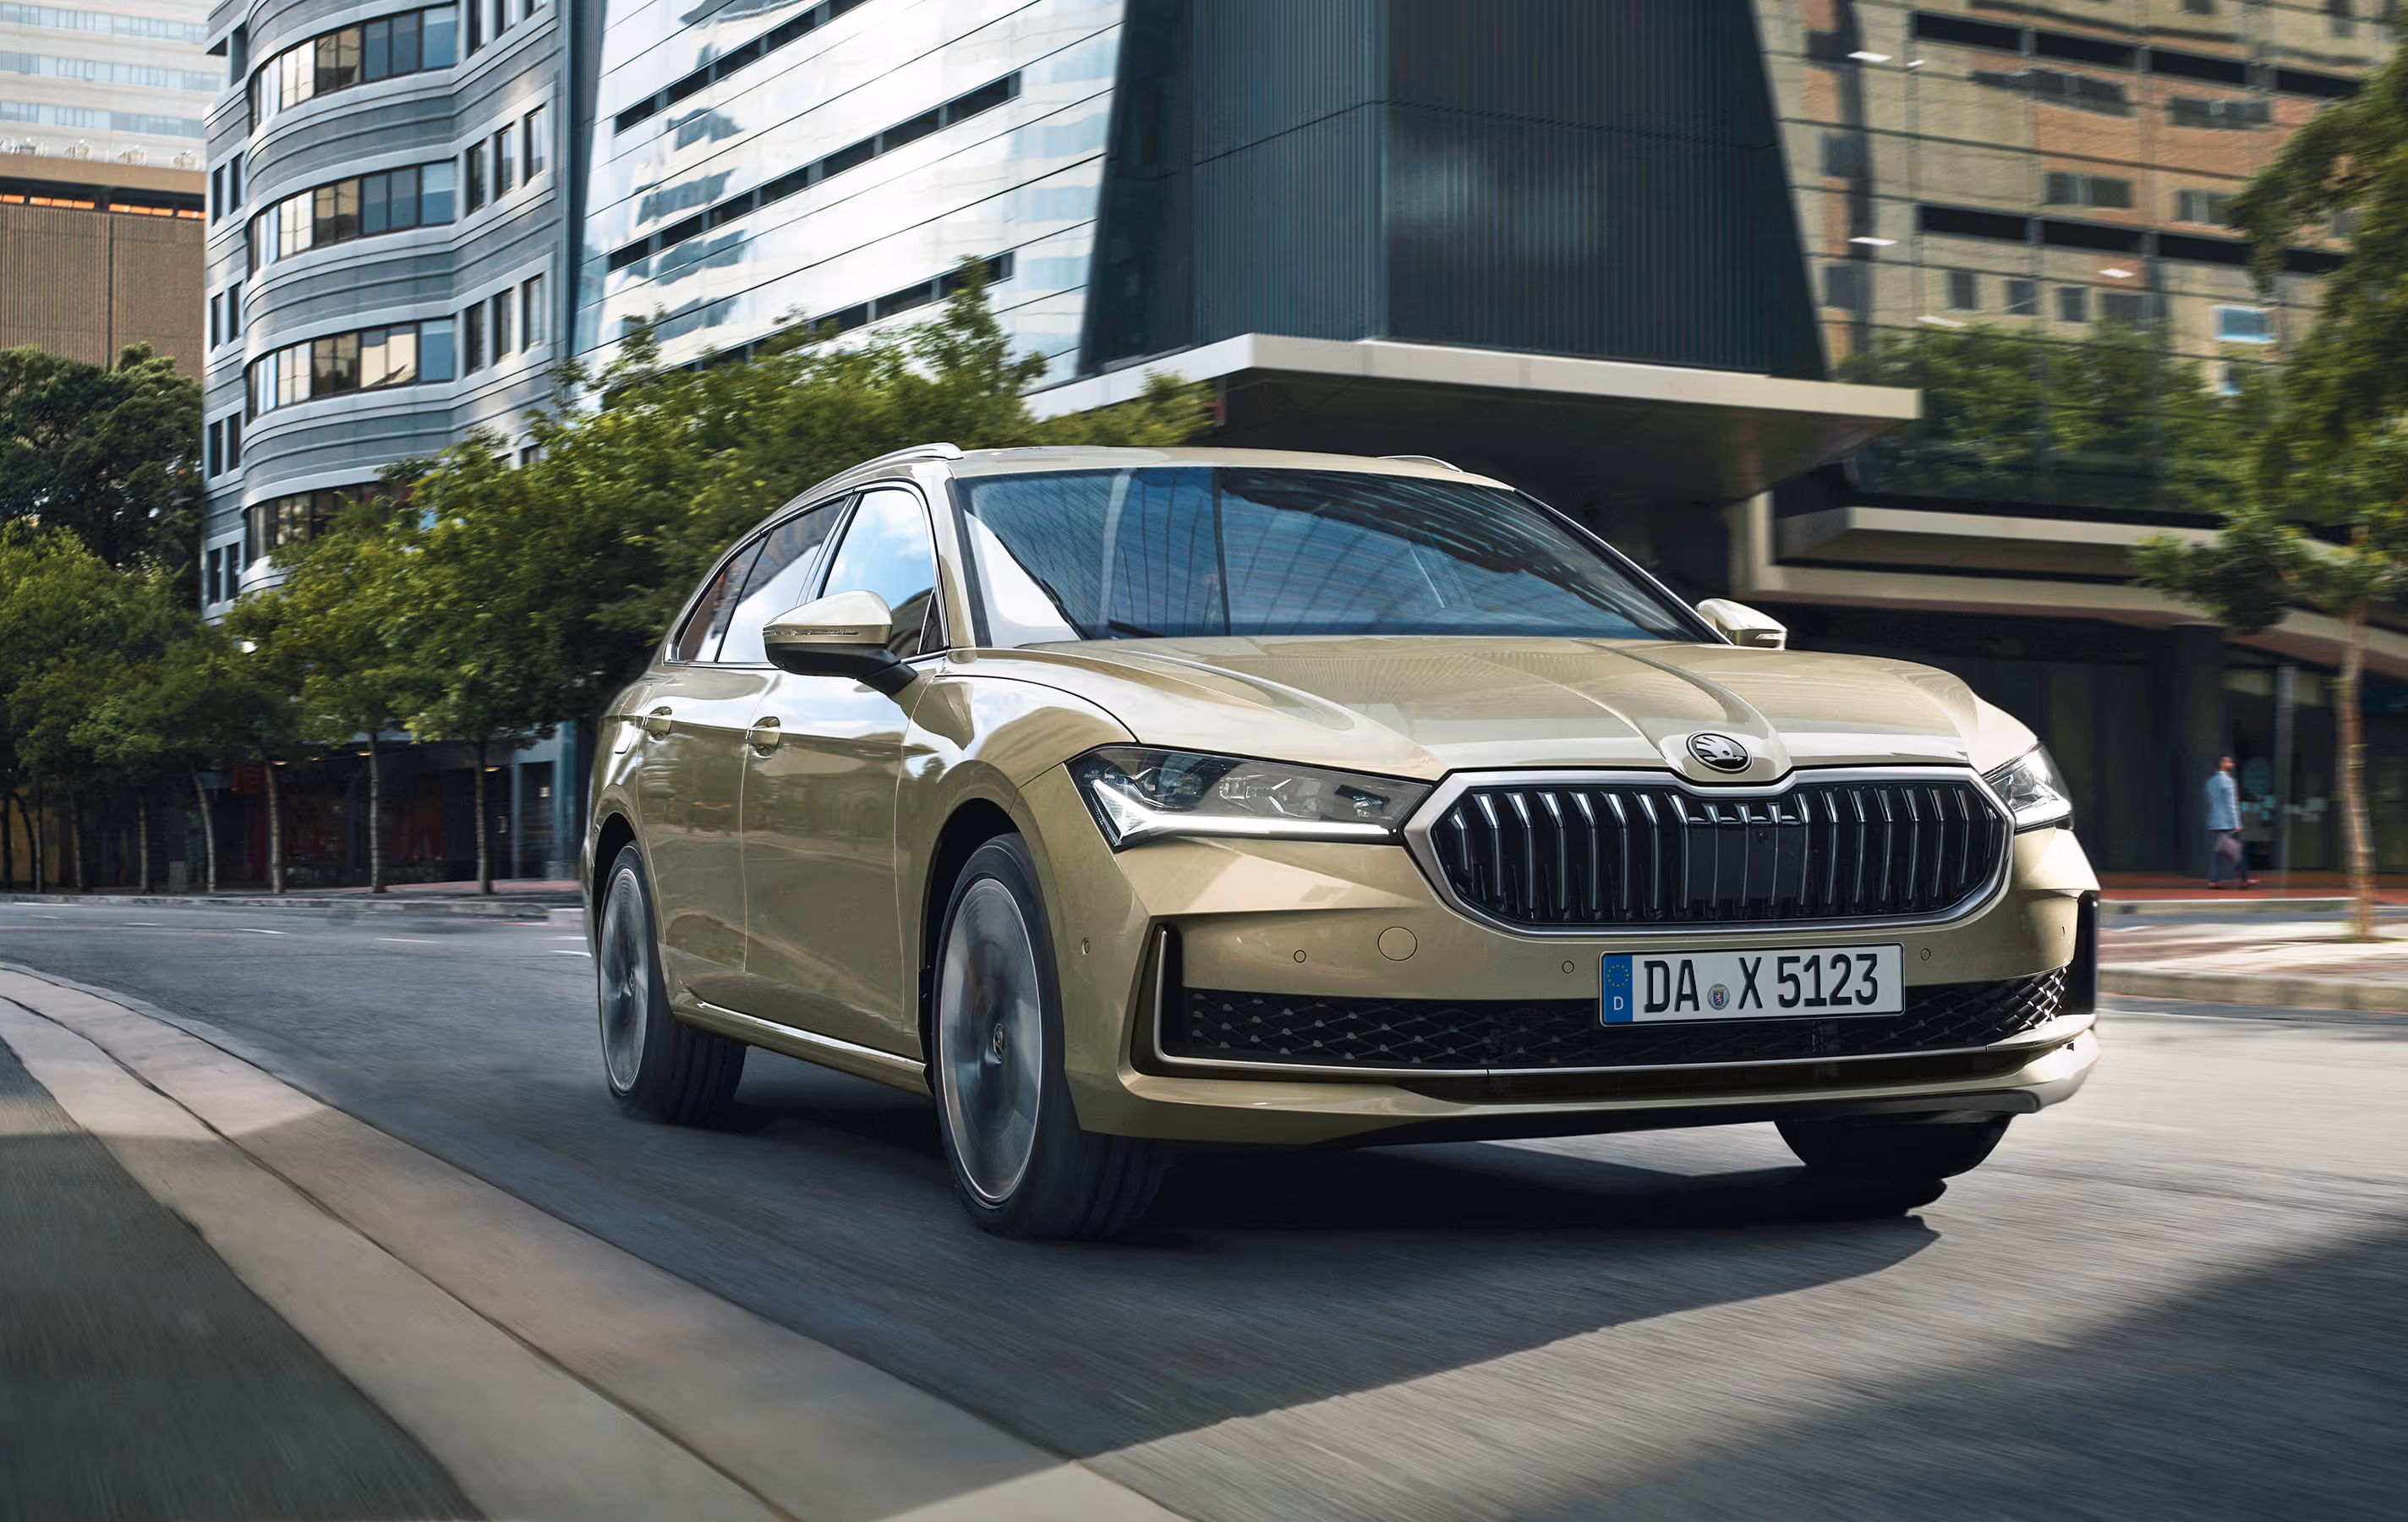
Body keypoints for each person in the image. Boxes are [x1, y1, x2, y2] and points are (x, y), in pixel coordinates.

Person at [2206, 754, 2253, 890]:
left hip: (2214, 821)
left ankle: (2214, 880)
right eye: (2229, 761)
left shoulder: (2210, 782)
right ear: (2222, 764)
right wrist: (2236, 823)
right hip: (2226, 822)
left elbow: (2213, 801)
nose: (2231, 763)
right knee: (2235, 850)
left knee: (2219, 850)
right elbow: (2230, 804)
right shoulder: (2228, 781)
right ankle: (2244, 879)